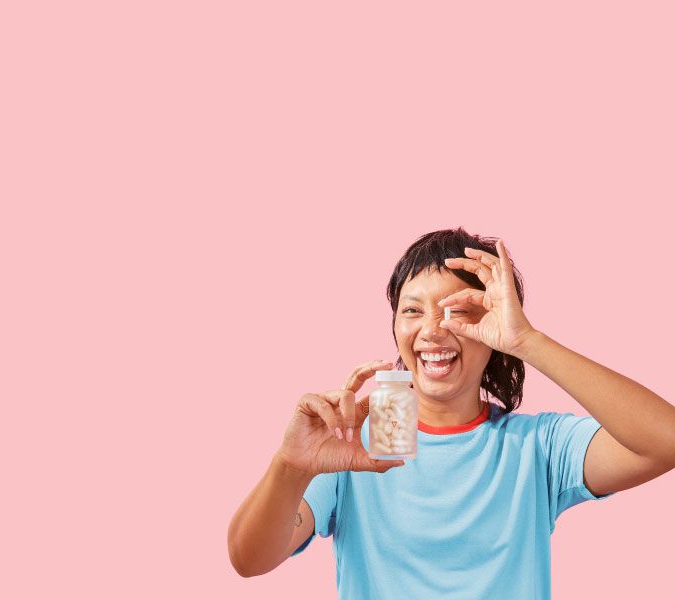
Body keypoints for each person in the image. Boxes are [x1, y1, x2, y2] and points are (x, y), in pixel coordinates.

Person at [227, 227, 675, 598]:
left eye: (457, 311)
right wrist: (289, 467)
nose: (432, 330)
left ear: (495, 329)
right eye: (412, 311)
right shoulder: (348, 448)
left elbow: (666, 440)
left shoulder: (539, 447)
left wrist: (528, 342)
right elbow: (249, 560)